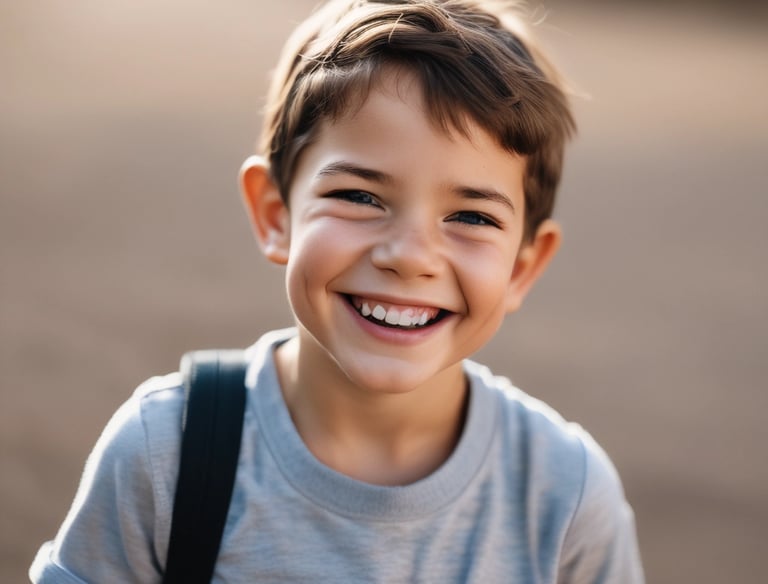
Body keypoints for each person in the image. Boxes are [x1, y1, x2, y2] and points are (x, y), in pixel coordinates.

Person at [30, 0, 644, 582]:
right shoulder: (165, 454)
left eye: (473, 217)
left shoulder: (566, 496)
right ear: (275, 215)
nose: (408, 256)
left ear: (522, 268)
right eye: (359, 196)